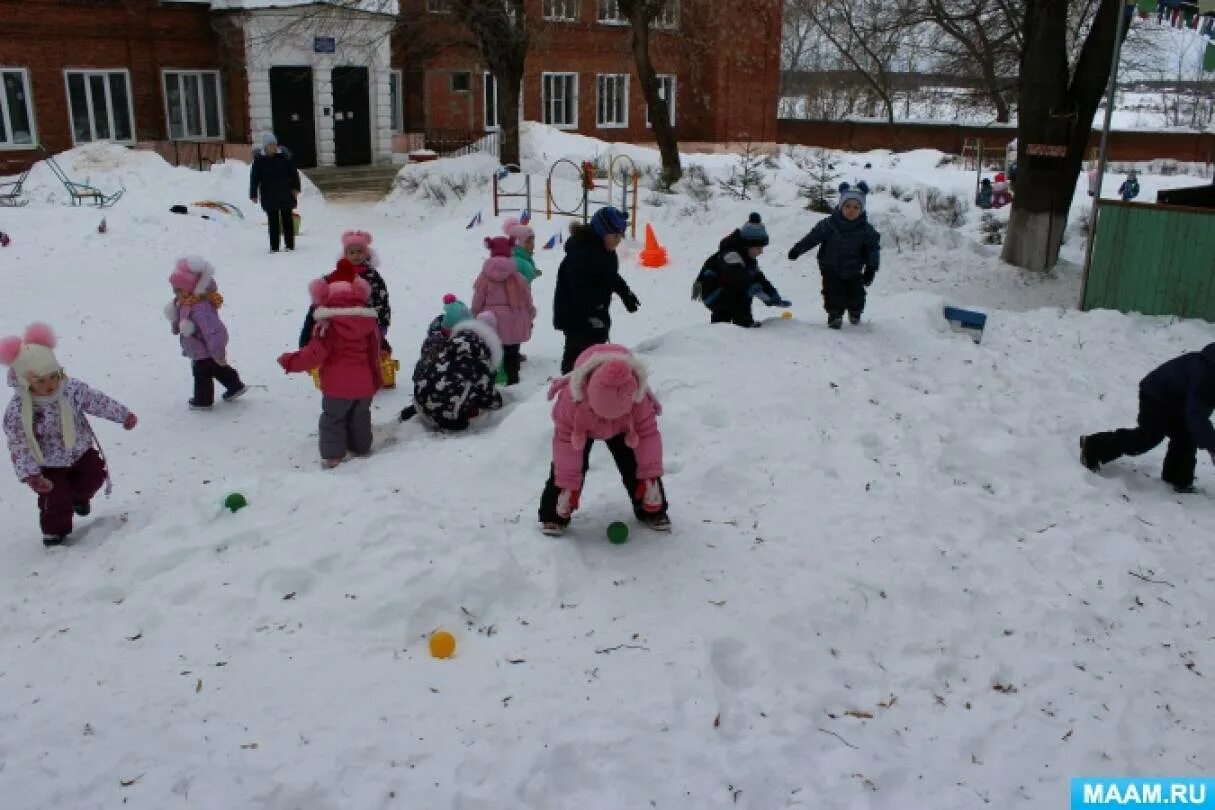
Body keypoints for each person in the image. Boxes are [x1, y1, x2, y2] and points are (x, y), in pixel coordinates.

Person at [1, 323, 137, 546]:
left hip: (80, 450)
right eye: (42, 380)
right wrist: (31, 474)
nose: (51, 384)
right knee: (55, 499)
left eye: (54, 376)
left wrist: (123, 415)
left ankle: (79, 498)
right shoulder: (19, 411)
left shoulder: (71, 389)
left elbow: (97, 402)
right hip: (48, 464)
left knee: (94, 475)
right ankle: (54, 533)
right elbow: (18, 443)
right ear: (26, 382)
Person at [538, 344, 669, 536]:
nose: (608, 420)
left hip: (625, 427)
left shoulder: (639, 397)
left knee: (634, 463)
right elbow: (565, 445)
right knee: (567, 468)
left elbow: (647, 435)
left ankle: (652, 507)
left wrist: (650, 476)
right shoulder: (571, 398)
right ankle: (555, 514)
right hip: (582, 427)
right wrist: (567, 486)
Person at [1080, 344, 1215, 493]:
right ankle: (1093, 446)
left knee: (1185, 435)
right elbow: (1196, 415)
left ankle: (1177, 479)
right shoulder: (1207, 375)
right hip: (1156, 395)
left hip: (1177, 399)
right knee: (1148, 436)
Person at [278, 277, 382, 469]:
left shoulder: (327, 327)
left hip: (337, 387)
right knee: (360, 416)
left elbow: (313, 355)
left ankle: (334, 456)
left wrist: (289, 361)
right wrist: (376, 378)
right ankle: (361, 447)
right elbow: (375, 351)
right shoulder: (368, 324)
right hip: (364, 384)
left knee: (333, 419)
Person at [552, 206, 640, 374]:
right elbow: (580, 290)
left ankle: (591, 386)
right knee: (578, 354)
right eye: (615, 236)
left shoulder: (604, 251)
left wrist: (624, 292)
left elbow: (610, 275)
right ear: (601, 231)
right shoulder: (581, 254)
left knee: (595, 354)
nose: (618, 240)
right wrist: (595, 310)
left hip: (595, 313)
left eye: (620, 236)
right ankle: (568, 387)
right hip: (575, 316)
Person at [403, 296, 504, 431]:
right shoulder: (479, 355)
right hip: (446, 416)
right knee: (473, 386)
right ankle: (450, 416)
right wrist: (497, 401)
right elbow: (488, 395)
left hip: (421, 401)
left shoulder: (450, 344)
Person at [787, 183, 881, 329]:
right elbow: (813, 237)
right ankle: (835, 315)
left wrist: (871, 268)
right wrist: (798, 249)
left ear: (861, 210)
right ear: (841, 206)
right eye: (847, 206)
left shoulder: (866, 230)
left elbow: (873, 249)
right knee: (832, 293)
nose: (851, 210)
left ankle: (855, 311)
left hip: (854, 269)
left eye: (856, 207)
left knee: (856, 294)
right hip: (830, 267)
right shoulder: (829, 224)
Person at [164, 256, 247, 410]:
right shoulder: (186, 301)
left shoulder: (201, 308)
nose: (176, 293)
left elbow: (213, 331)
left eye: (178, 290)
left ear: (188, 288)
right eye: (174, 290)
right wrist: (175, 323)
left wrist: (218, 352)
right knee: (218, 368)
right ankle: (235, 386)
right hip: (200, 347)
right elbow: (181, 317)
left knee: (202, 374)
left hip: (205, 348)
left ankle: (203, 400)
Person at [692, 212, 790, 328]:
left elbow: (758, 277)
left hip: (721, 289)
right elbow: (740, 279)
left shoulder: (747, 257)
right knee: (743, 291)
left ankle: (725, 327)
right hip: (711, 293)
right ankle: (741, 324)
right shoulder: (730, 255)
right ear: (747, 245)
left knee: (742, 289)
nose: (761, 252)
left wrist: (773, 296)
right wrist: (760, 293)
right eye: (758, 248)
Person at [472, 236, 536, 385]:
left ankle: (491, 384)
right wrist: (530, 314)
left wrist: (475, 315)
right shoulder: (518, 277)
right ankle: (513, 381)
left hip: (490, 322)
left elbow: (478, 300)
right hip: (514, 320)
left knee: (492, 354)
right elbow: (527, 300)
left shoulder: (484, 278)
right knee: (512, 354)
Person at [249, 132, 301, 253]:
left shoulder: (284, 157)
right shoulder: (259, 161)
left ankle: (289, 245)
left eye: (274, 144)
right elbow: (254, 178)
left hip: (285, 193)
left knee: (287, 219)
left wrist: (296, 188)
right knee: (273, 221)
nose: (273, 147)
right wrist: (253, 194)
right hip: (268, 194)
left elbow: (294, 173)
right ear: (265, 146)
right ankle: (274, 247)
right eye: (270, 145)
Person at [503, 217, 542, 285]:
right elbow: (527, 274)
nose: (532, 244)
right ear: (517, 243)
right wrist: (533, 273)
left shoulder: (525, 258)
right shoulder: (518, 261)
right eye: (528, 241)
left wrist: (534, 271)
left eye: (533, 240)